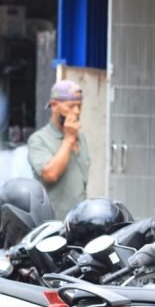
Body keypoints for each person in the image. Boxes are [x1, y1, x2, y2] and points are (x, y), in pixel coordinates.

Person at [27, 80, 90, 216]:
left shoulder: (81, 138)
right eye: (71, 106)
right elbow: (50, 174)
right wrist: (68, 139)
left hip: (79, 219)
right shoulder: (39, 139)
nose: (76, 112)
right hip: (54, 222)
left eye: (79, 106)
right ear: (54, 105)